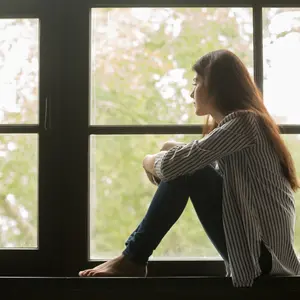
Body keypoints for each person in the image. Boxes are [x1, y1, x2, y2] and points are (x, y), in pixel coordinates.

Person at [79, 49, 300, 287]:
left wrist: (148, 160)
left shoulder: (245, 122)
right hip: (260, 257)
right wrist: (171, 149)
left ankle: (133, 257)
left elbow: (179, 167)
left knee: (188, 169)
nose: (190, 93)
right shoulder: (244, 127)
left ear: (217, 86)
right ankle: (132, 258)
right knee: (187, 166)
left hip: (263, 260)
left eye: (196, 83)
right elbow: (192, 164)